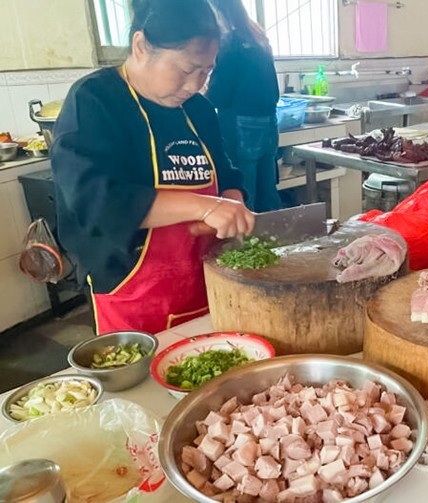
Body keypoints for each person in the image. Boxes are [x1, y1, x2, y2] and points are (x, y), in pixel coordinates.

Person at [52, 0, 255, 336]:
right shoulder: (95, 101)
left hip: (206, 284)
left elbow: (226, 173)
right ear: (141, 46)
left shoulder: (199, 110)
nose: (195, 85)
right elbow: (99, 202)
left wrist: (232, 202)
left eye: (206, 71)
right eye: (187, 69)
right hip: (131, 296)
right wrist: (206, 206)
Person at [206, 0, 283, 213]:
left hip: (242, 125)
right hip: (268, 123)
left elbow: (218, 95)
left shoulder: (230, 40)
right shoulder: (256, 36)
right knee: (268, 192)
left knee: (243, 193)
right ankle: (275, 240)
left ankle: (248, 243)